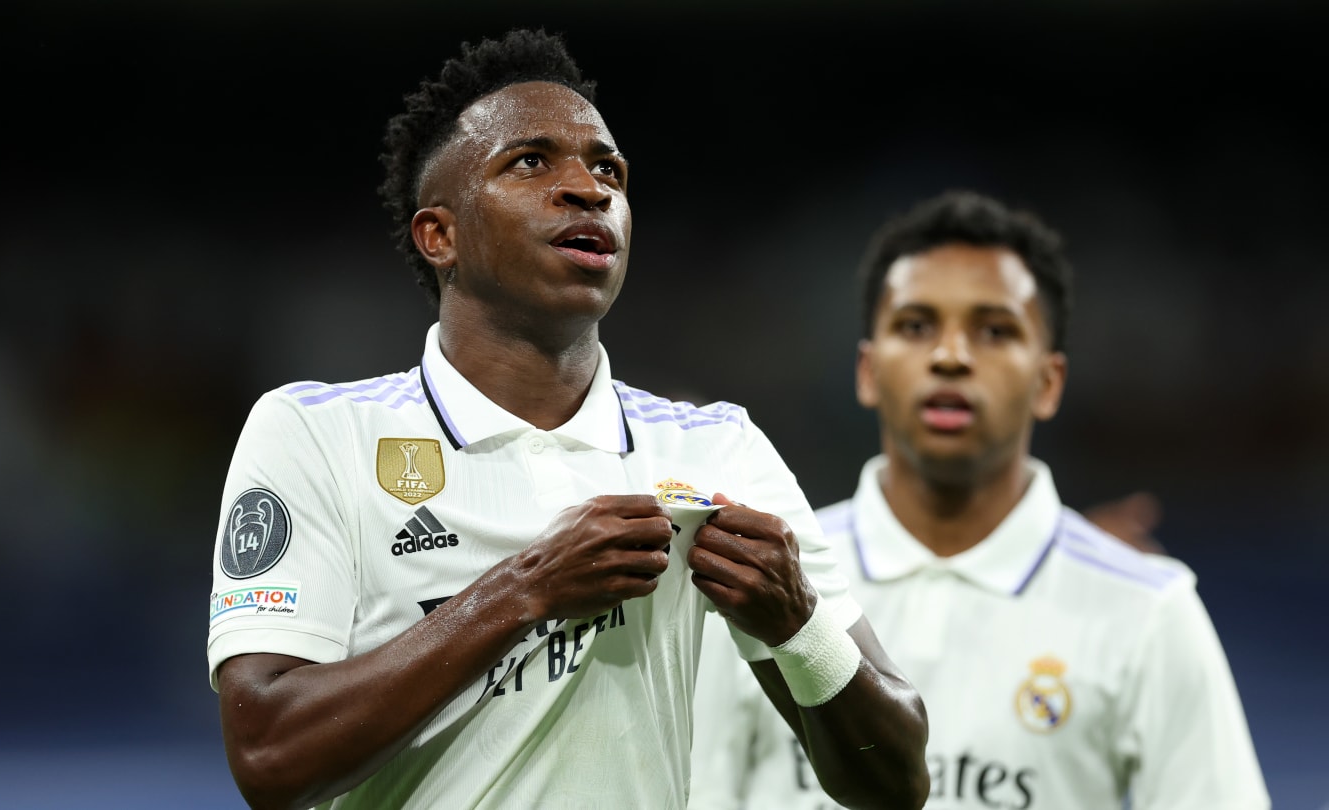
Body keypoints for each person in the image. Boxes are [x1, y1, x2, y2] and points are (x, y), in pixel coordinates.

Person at [206, 28, 930, 810]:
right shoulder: (318, 434)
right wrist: (527, 589)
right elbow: (268, 755)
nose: (588, 189)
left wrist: (797, 624)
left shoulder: (715, 447)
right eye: (530, 162)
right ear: (440, 235)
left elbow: (895, 783)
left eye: (608, 169)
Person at [689, 190, 1269, 809]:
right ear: (868, 371)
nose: (951, 356)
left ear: (1048, 382)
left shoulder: (1148, 610)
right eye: (916, 326)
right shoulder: (760, 575)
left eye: (995, 330)